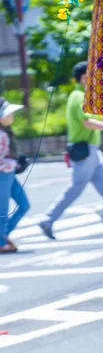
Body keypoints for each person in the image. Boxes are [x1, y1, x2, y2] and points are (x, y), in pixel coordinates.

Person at [39, 62, 103, 239]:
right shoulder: (79, 96)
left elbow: (93, 120)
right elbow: (87, 122)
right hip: (84, 151)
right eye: (91, 75)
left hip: (91, 151)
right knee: (76, 188)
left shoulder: (84, 96)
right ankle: (48, 219)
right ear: (83, 77)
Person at [0, 98, 30, 253]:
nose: (12, 116)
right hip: (3, 175)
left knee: (24, 205)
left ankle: (3, 236)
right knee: (2, 211)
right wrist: (14, 163)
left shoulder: (6, 132)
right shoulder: (1, 134)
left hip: (9, 174)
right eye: (8, 113)